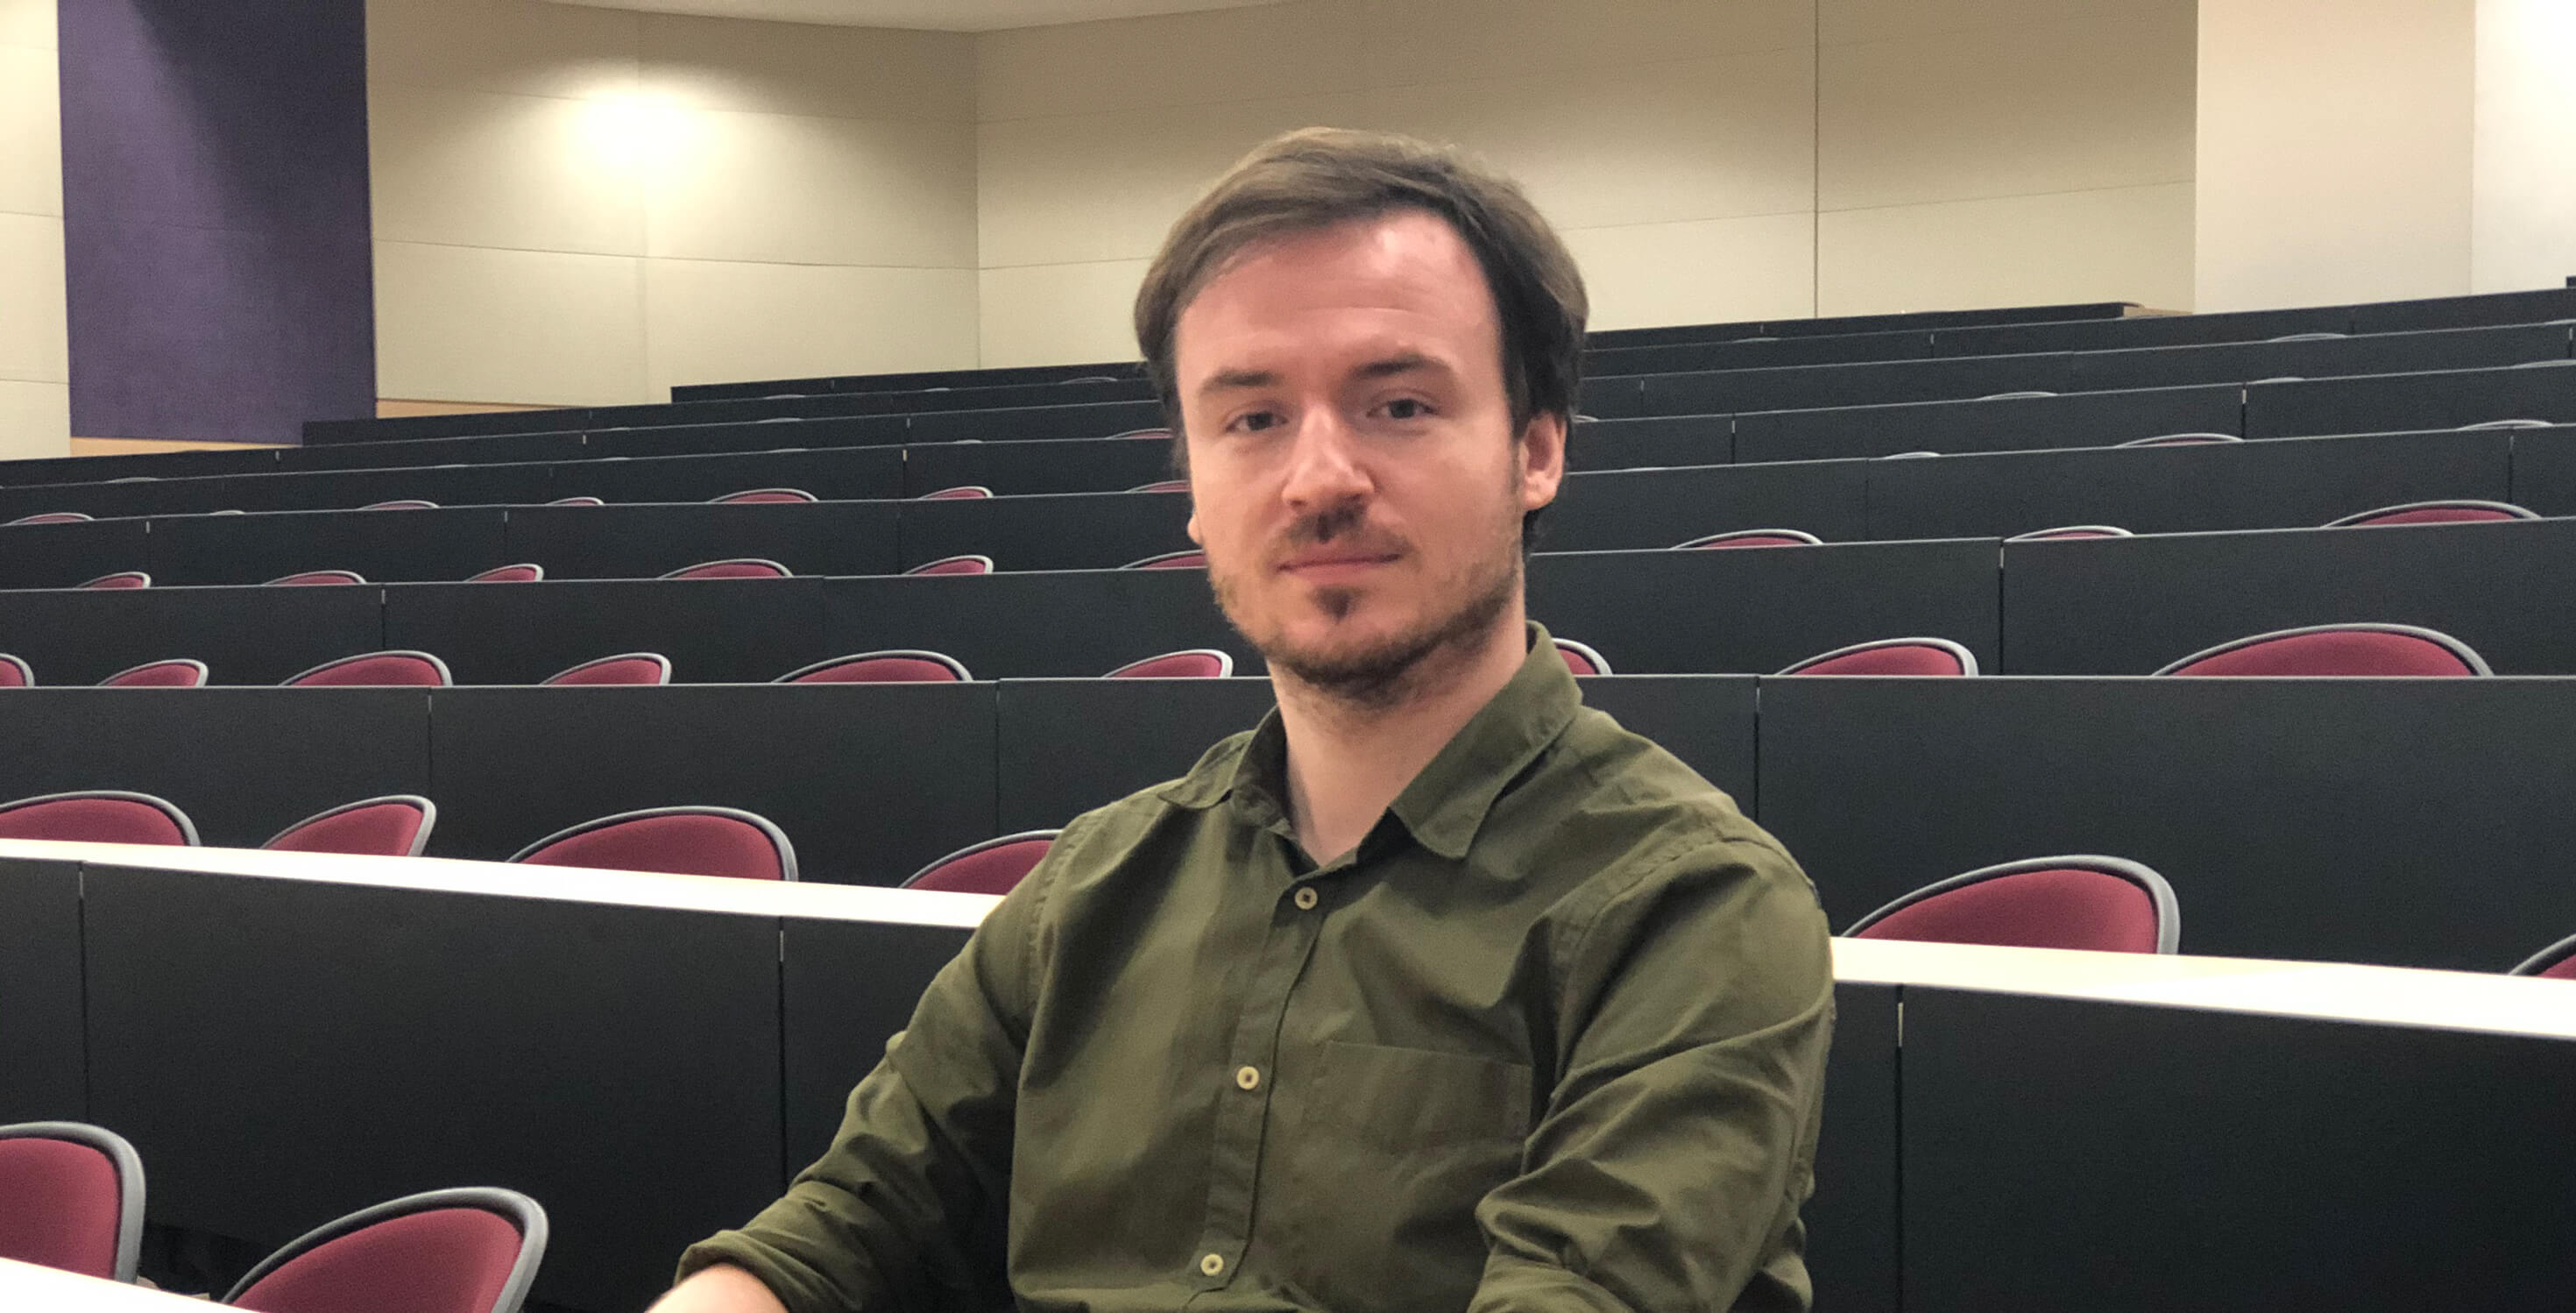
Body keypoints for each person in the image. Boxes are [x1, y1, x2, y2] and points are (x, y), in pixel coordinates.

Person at [653, 127, 1833, 1313]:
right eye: (1253, 419)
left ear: (1533, 452)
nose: (1320, 477)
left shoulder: (1695, 906)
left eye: (1400, 403)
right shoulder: (1091, 889)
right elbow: (837, 1229)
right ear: (1195, 496)